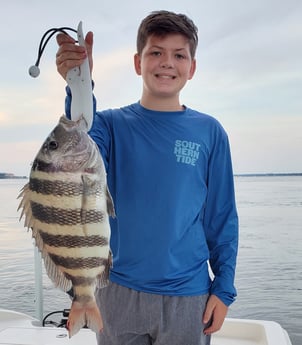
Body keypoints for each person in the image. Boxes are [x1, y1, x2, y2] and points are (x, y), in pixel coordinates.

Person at [56, 10, 238, 345]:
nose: (167, 62)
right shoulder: (110, 125)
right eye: (156, 52)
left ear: (192, 67)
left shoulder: (210, 133)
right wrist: (79, 81)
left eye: (179, 55)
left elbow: (221, 218)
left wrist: (223, 289)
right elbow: (79, 139)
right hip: (117, 291)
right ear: (139, 62)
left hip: (189, 296)